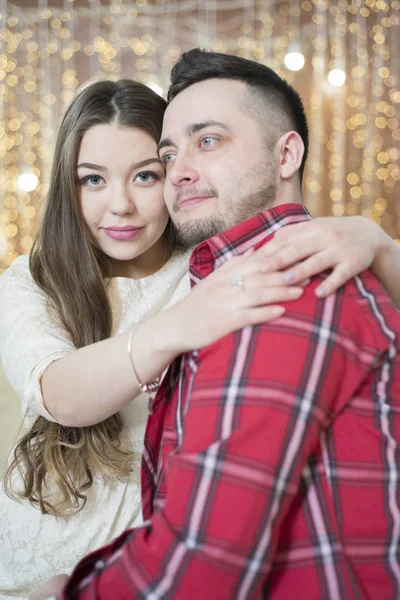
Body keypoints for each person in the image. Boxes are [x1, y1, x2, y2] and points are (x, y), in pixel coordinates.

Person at [0, 80, 390, 600]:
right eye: (92, 180)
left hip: (154, 563)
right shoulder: (35, 278)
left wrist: (378, 241)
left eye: (145, 175)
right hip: (41, 549)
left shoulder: (212, 263)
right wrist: (180, 323)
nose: (120, 205)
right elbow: (57, 392)